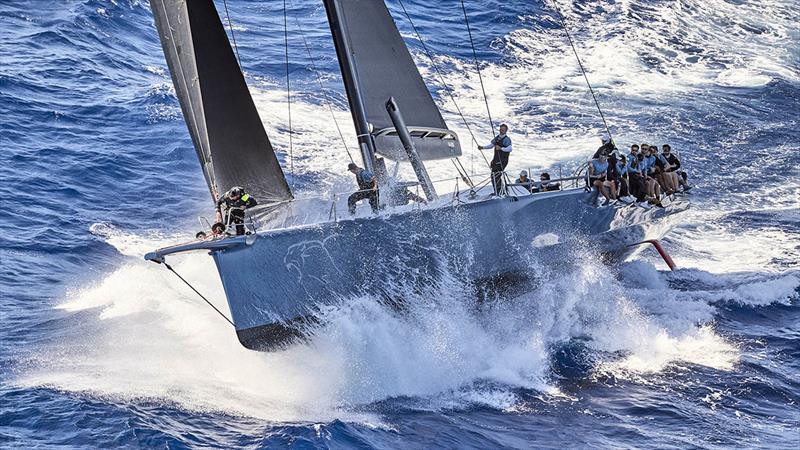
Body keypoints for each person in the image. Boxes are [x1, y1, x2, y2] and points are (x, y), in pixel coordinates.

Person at [478, 123, 512, 195]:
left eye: (503, 130)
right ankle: (499, 191)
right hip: (496, 160)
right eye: (500, 129)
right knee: (494, 175)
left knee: (496, 175)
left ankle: (500, 192)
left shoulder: (507, 139)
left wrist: (501, 148)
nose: (501, 131)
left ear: (506, 131)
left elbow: (510, 149)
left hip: (502, 160)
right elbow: (491, 145)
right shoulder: (497, 138)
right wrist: (483, 147)